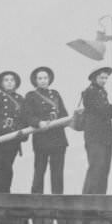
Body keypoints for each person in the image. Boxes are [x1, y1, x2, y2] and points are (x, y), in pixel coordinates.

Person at [23, 66, 69, 194]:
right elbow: (27, 115)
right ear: (35, 80)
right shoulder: (31, 95)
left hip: (58, 137)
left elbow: (64, 114)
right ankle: (36, 199)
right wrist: (38, 123)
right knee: (39, 170)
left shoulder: (55, 94)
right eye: (40, 78)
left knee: (58, 172)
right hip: (42, 137)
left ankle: (58, 199)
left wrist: (70, 119)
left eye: (45, 78)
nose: (43, 80)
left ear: (49, 79)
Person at [0, 70, 27, 192]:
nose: (9, 83)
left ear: (16, 83)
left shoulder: (21, 99)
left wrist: (21, 134)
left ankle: (5, 194)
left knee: (7, 169)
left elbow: (24, 119)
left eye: (12, 80)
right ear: (1, 83)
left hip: (12, 140)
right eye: (6, 80)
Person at [81, 67, 112, 194]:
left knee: (104, 168)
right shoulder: (90, 92)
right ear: (95, 78)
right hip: (95, 136)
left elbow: (107, 110)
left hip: (105, 137)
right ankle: (89, 197)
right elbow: (104, 110)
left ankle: (100, 196)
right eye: (101, 78)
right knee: (96, 166)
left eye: (106, 78)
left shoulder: (101, 92)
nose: (104, 80)